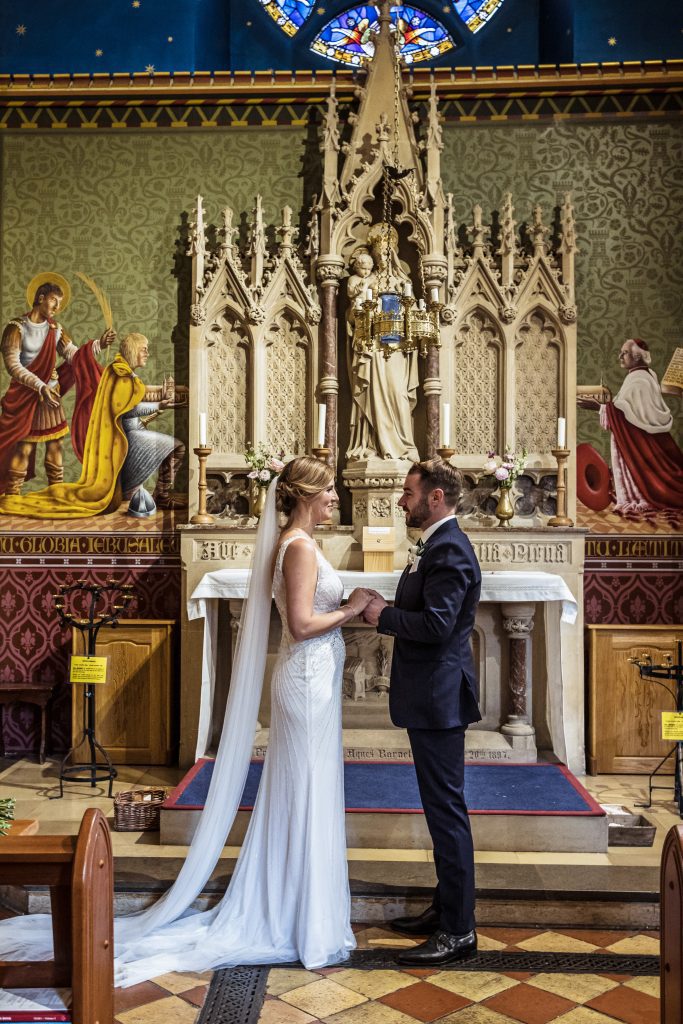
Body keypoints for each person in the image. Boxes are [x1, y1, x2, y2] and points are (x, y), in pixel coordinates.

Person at [0, 457, 374, 986]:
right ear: (308, 495)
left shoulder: (299, 545)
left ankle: (304, 910)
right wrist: (353, 607)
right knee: (306, 791)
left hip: (315, 682)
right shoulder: (298, 547)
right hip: (307, 682)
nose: (337, 497)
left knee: (308, 791)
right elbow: (300, 623)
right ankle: (303, 920)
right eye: (330, 489)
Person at [363, 458, 482, 965]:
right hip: (429, 695)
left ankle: (459, 931)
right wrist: (386, 607)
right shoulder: (436, 544)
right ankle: (445, 909)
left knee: (447, 812)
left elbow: (436, 626)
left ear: (436, 497)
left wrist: (380, 615)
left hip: (439, 698)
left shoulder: (450, 548)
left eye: (409, 492)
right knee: (440, 811)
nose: (400, 500)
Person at [0, 333, 184, 519]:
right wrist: (160, 405)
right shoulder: (121, 374)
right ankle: (162, 495)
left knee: (127, 491)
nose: (147, 353)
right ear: (134, 349)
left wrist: (162, 399)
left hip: (128, 435)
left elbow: (138, 397)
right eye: (144, 349)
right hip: (127, 439)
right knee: (177, 447)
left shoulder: (122, 372)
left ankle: (155, 494)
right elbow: (127, 410)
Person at [0, 278, 115, 496]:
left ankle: (56, 495)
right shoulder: (16, 328)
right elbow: (13, 366)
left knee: (56, 445)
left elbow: (74, 356)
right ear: (41, 298)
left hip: (50, 397)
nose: (57, 307)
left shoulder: (56, 329)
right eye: (54, 300)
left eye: (60, 303)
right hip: (27, 398)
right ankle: (12, 497)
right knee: (24, 447)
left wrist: (99, 344)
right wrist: (40, 386)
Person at [578, 338, 683, 518]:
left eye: (624, 353)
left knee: (655, 483)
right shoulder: (646, 374)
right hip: (640, 438)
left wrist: (600, 407)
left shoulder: (638, 380)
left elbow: (629, 417)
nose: (620, 356)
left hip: (640, 442)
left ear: (637, 357)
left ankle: (639, 497)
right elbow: (630, 411)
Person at [346, 225, 419, 462]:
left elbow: (415, 314)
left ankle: (402, 446)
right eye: (378, 253)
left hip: (397, 347)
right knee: (373, 392)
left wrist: (413, 314)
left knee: (398, 392)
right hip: (374, 347)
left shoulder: (402, 282)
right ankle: (371, 445)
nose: (382, 257)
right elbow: (352, 314)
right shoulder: (366, 281)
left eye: (386, 252)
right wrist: (362, 313)